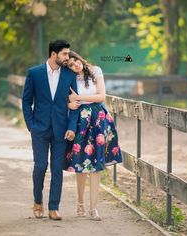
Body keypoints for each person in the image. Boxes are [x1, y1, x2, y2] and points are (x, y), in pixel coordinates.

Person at [22, 40, 79, 220]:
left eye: (68, 54)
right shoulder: (34, 73)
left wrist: (71, 127)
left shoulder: (70, 75)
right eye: (64, 54)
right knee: (40, 167)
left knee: (56, 169)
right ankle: (37, 201)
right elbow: (26, 101)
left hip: (61, 130)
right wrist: (31, 125)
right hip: (39, 128)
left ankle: (53, 207)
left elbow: (75, 103)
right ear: (54, 54)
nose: (67, 57)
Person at [64, 51, 122, 221]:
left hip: (99, 118)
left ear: (79, 58)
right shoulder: (70, 80)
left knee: (96, 165)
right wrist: (70, 102)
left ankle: (94, 208)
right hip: (81, 121)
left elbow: (101, 96)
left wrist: (79, 97)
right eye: (70, 65)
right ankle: (80, 203)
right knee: (80, 162)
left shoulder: (96, 70)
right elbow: (67, 100)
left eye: (75, 60)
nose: (75, 64)